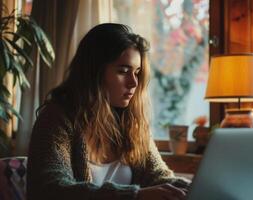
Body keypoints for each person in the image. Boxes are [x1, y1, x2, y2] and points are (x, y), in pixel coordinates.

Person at [27, 23, 190, 200]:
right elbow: (51, 189)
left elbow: (157, 175)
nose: (134, 83)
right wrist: (135, 196)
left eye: (137, 72)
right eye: (123, 71)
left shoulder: (131, 121)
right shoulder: (56, 118)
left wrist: (195, 188)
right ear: (94, 72)